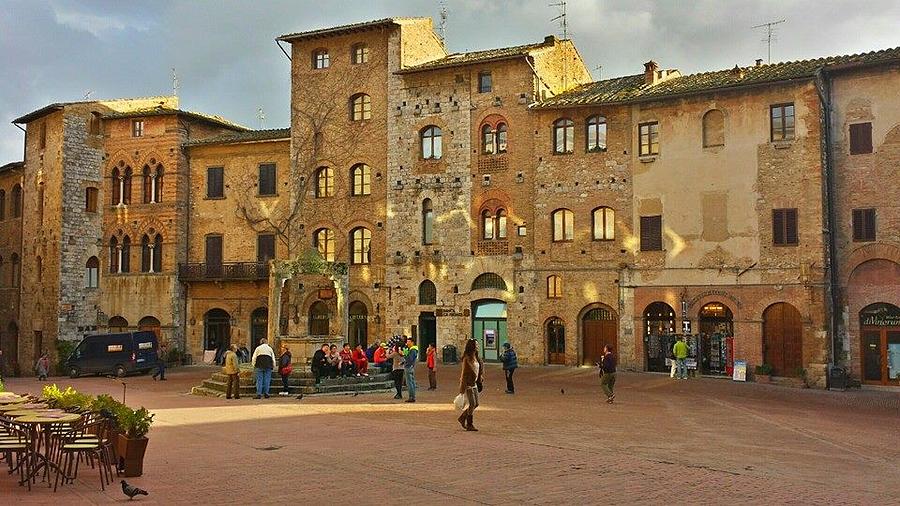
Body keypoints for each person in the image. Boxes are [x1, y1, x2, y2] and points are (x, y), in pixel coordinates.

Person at [458, 339, 483, 431]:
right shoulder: (467, 358)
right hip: (468, 383)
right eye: (476, 345)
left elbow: (479, 368)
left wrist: (480, 377)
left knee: (476, 404)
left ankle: (462, 417)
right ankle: (469, 424)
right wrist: (462, 387)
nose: (477, 346)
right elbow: (464, 373)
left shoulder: (476, 357)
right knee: (472, 403)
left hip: (475, 382)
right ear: (472, 346)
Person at [403, 338, 418, 403]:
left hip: (409, 367)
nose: (407, 343)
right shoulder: (412, 350)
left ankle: (411, 397)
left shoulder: (413, 350)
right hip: (410, 367)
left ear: (412, 342)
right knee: (411, 382)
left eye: (408, 342)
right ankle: (412, 396)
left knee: (409, 383)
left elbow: (409, 359)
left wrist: (404, 354)